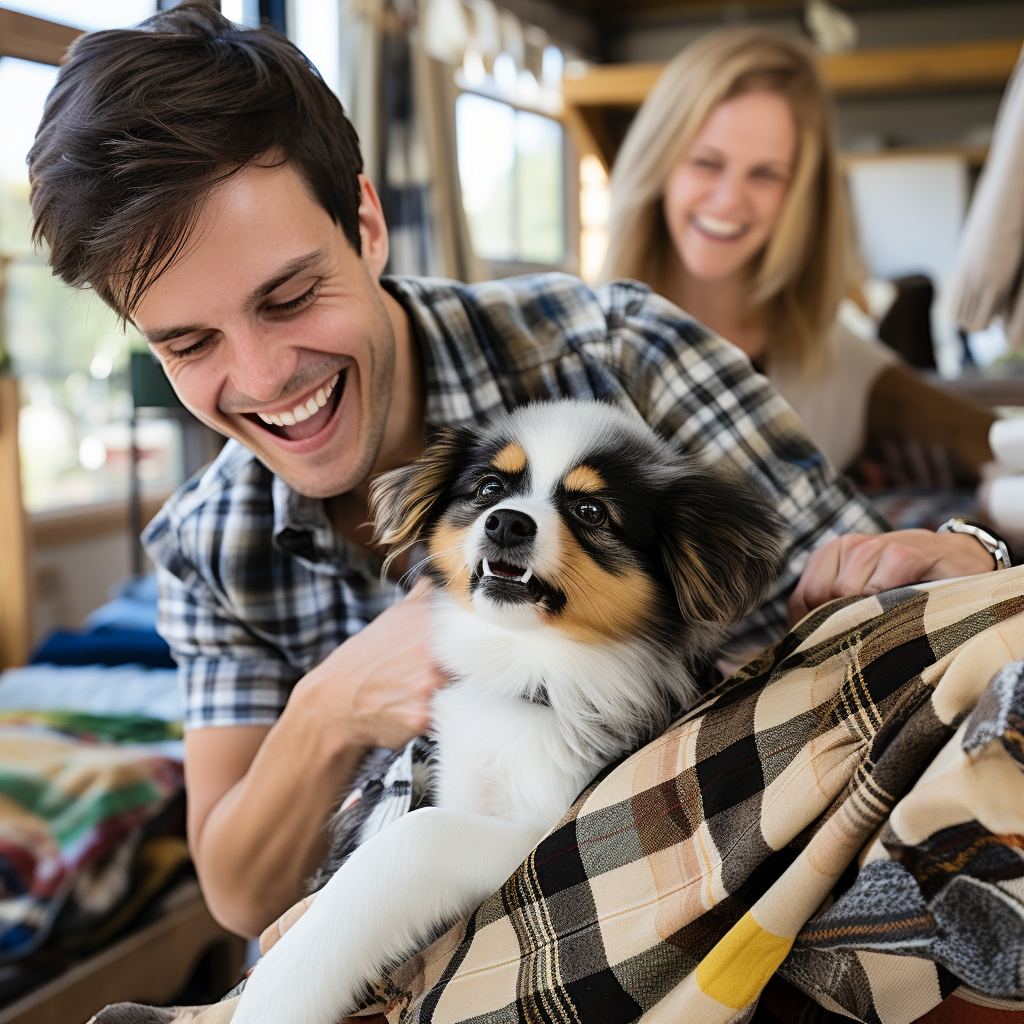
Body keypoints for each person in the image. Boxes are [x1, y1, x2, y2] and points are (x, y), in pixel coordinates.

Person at [27, 2, 998, 940]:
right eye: (189, 342)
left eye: (288, 296)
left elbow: (890, 605)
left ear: (365, 224)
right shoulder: (209, 542)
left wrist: (961, 549)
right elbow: (241, 895)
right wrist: (329, 709)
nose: (264, 375)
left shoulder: (619, 356)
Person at [602, 27, 995, 483]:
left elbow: (992, 445)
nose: (729, 200)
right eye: (705, 163)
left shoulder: (839, 363)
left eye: (766, 175)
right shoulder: (576, 349)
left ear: (803, 198)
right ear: (659, 164)